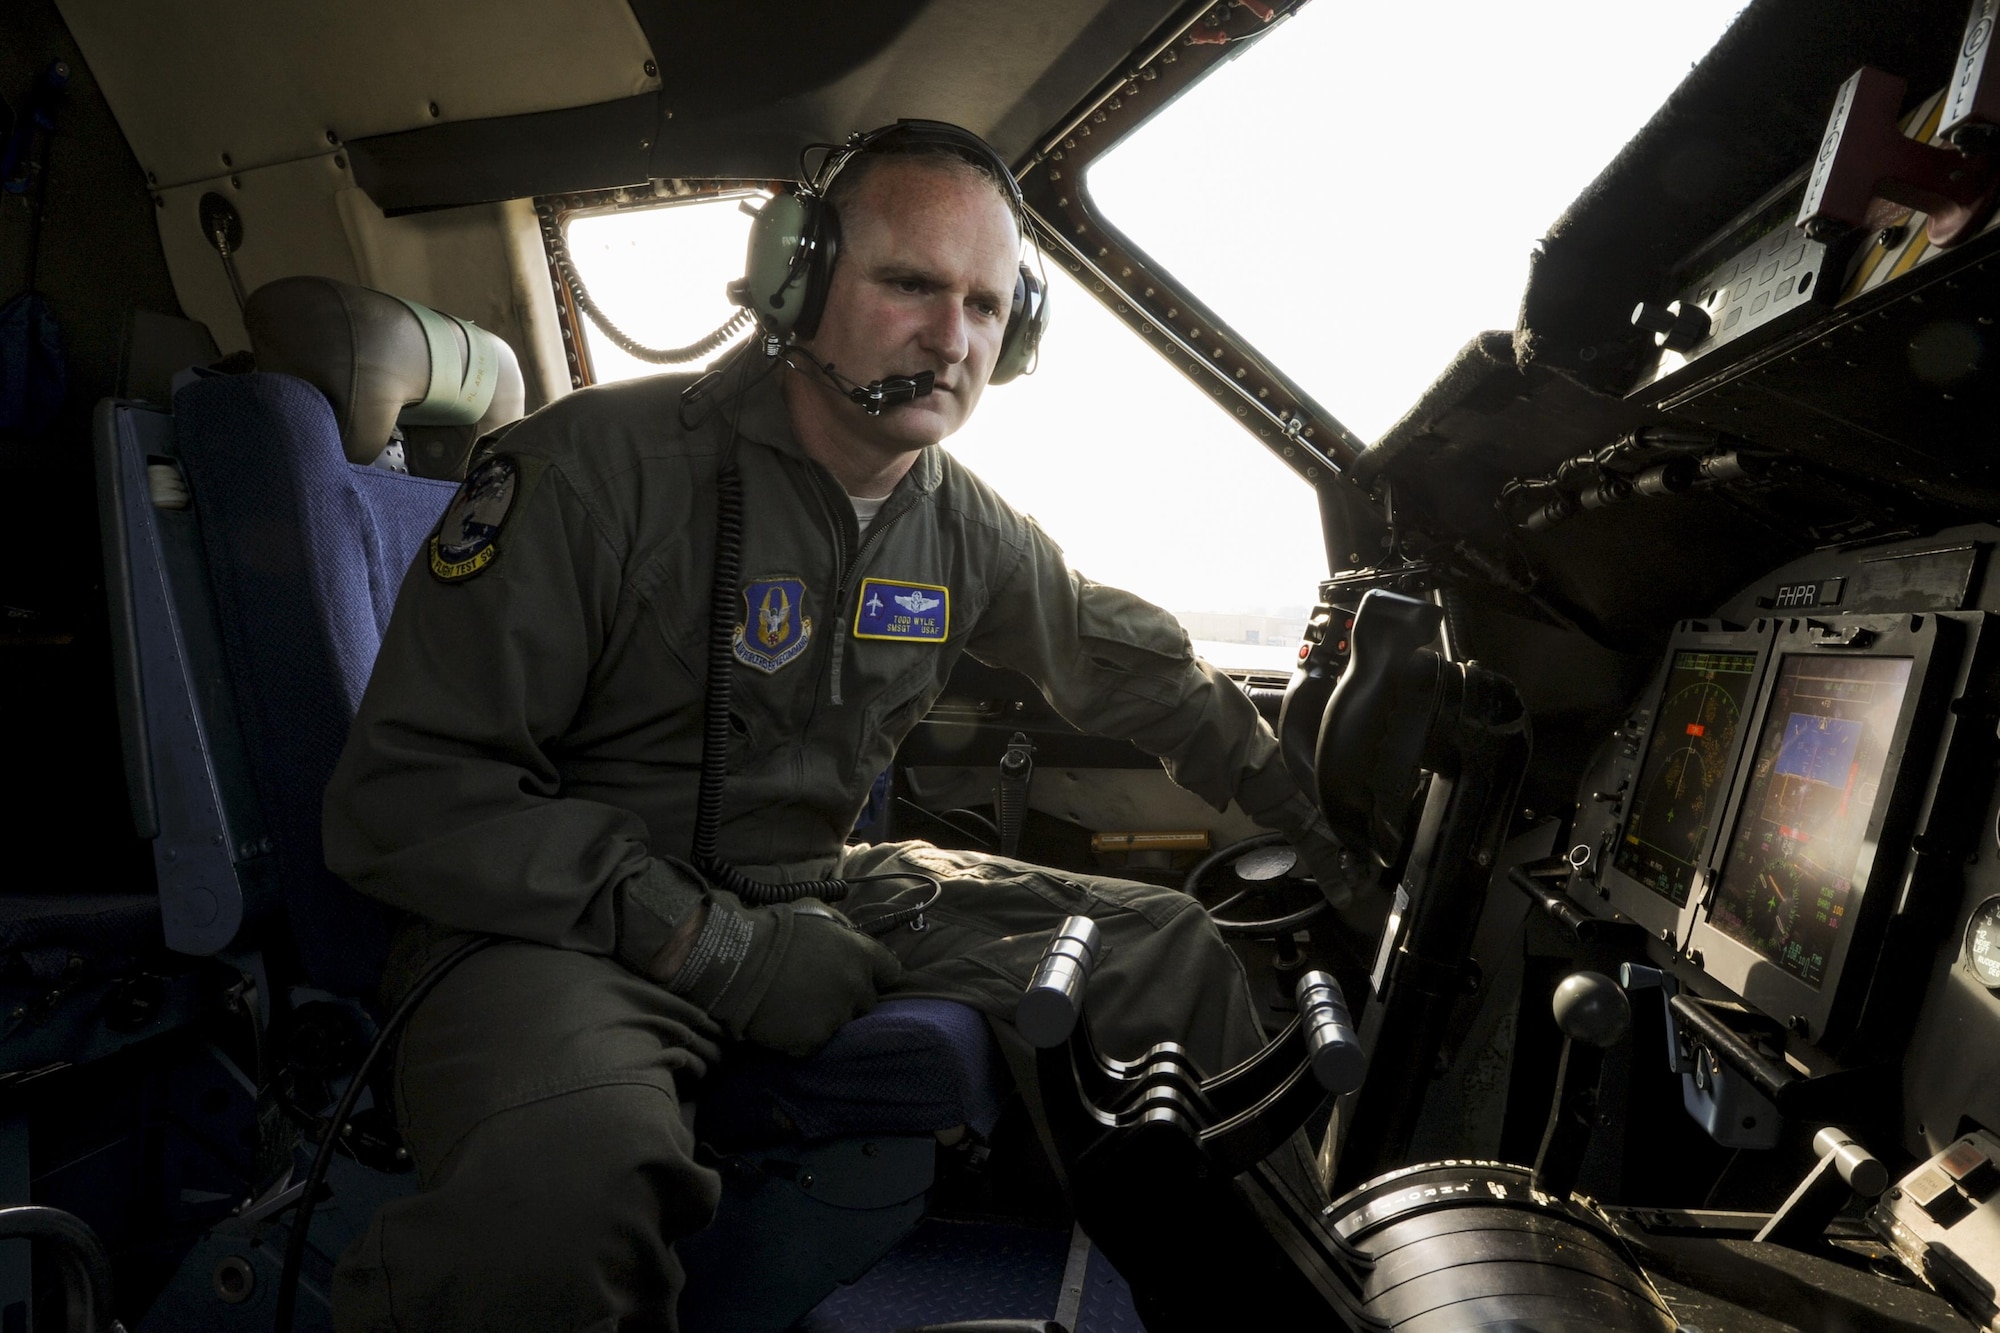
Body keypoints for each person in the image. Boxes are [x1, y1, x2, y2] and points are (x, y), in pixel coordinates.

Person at [322, 121, 1353, 1332]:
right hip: (551, 926)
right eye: (909, 284)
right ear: (796, 281)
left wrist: (1319, 822)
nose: (949, 336)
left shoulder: (961, 524)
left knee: (1165, 948)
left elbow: (1124, 670)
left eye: (982, 305)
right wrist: (711, 947)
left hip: (817, 888)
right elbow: (404, 795)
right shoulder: (588, 473)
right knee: (563, 1190)